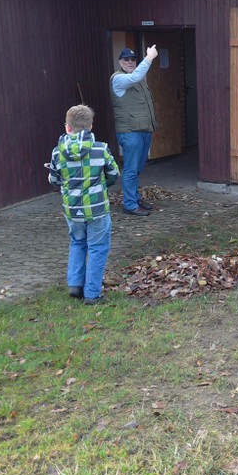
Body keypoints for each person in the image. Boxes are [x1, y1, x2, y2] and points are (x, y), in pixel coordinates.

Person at [48, 105, 119, 305]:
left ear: (68, 127)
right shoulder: (101, 149)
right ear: (90, 126)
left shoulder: (57, 152)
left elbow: (54, 180)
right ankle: (92, 294)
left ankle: (75, 285)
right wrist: (103, 185)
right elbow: (114, 173)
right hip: (97, 209)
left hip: (72, 210)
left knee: (77, 243)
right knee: (97, 248)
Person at [111, 45, 158, 216]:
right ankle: (130, 204)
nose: (130, 62)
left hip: (143, 130)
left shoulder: (138, 80)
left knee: (137, 168)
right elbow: (135, 76)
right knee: (131, 169)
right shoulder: (118, 79)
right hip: (130, 132)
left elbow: (137, 76)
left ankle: (135, 198)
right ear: (120, 62)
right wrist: (149, 57)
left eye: (133, 59)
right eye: (126, 59)